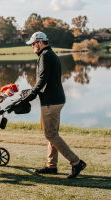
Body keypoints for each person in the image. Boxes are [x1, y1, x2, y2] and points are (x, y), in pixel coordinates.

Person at [23, 31, 86, 178]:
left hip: (51, 101)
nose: (32, 46)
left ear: (39, 42)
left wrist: (30, 96)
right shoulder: (50, 54)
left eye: (33, 43)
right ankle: (51, 166)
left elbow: (42, 80)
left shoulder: (45, 56)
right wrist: (32, 92)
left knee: (50, 134)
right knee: (52, 134)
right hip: (56, 99)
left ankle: (76, 162)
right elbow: (45, 80)